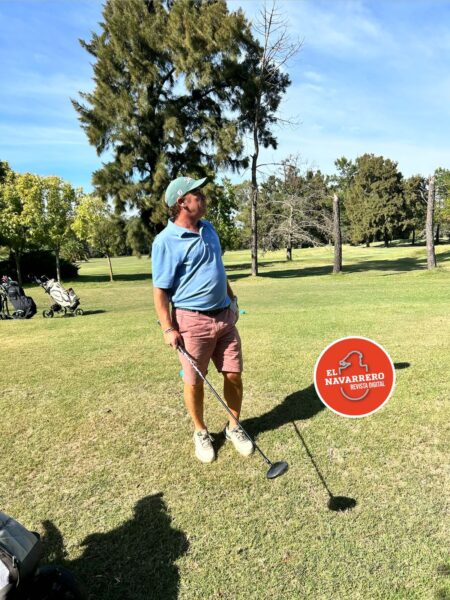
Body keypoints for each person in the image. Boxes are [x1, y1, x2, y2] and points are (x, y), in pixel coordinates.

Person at [152, 175, 253, 464]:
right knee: (194, 381)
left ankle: (234, 427)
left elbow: (217, 268)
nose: (204, 198)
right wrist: (167, 328)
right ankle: (200, 431)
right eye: (198, 194)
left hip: (224, 317)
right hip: (191, 322)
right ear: (182, 202)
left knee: (233, 374)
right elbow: (160, 291)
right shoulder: (165, 241)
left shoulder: (209, 229)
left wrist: (232, 300)